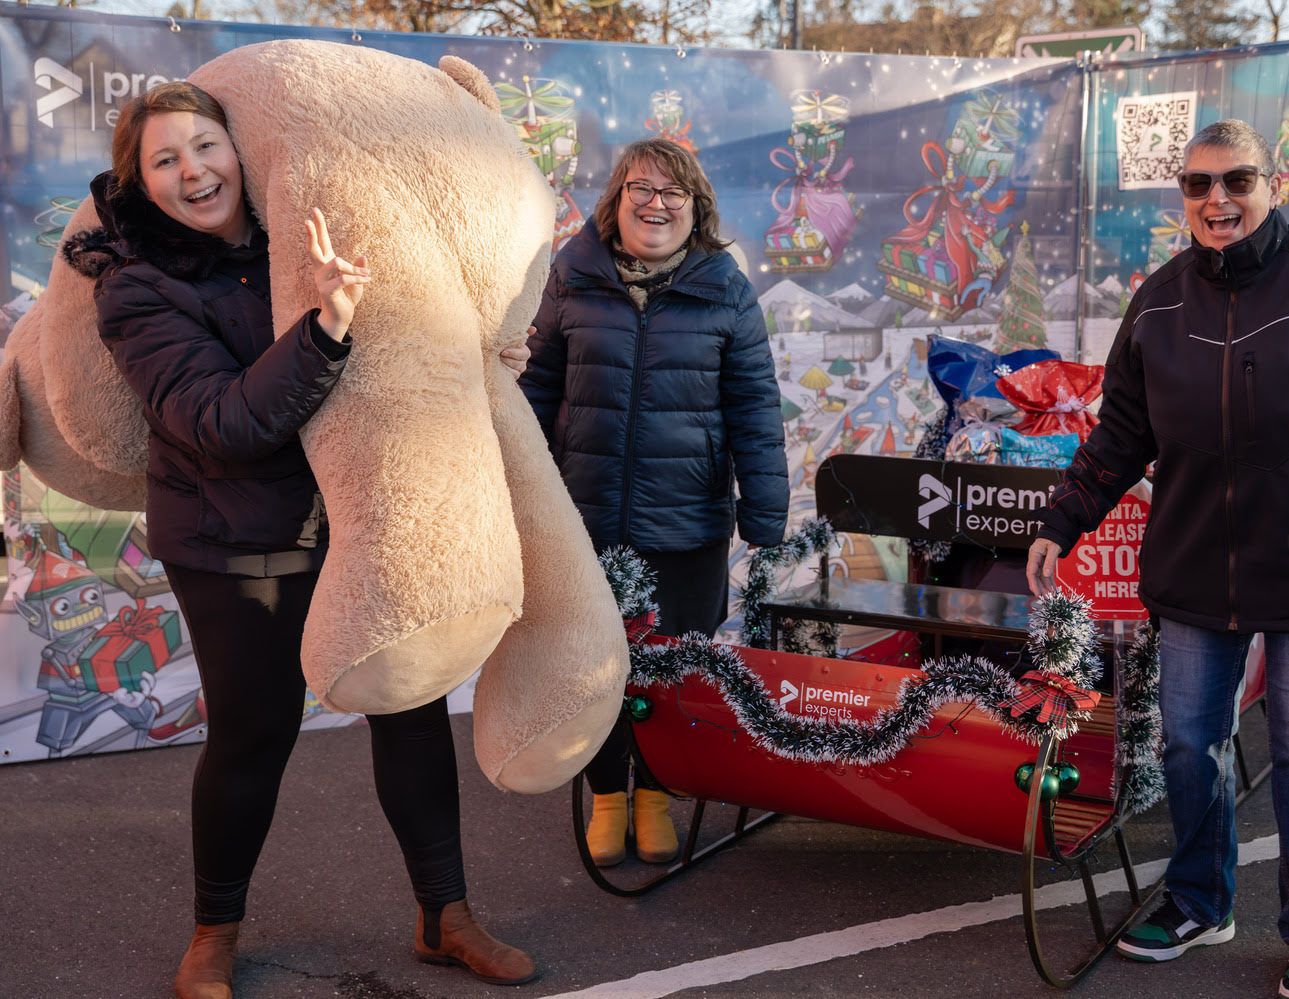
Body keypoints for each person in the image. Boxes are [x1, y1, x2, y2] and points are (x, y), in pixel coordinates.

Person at [89, 81, 535, 999]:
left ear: (240, 148)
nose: (193, 171)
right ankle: (214, 931)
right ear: (139, 181)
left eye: (204, 146)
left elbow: (403, 349)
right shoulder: (136, 287)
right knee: (255, 733)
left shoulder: (302, 232)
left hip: (360, 518)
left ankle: (443, 914)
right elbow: (220, 421)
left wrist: (479, 351)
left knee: (407, 703)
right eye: (165, 159)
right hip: (234, 537)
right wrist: (325, 324)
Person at [1026, 119, 1289, 999]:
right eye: (1198, 185)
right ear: (1182, 195)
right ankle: (1200, 901)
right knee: (1187, 745)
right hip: (1194, 567)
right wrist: (1062, 521)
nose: (1218, 200)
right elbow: (1120, 436)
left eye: (1236, 180)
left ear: (1273, 182)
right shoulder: (1160, 298)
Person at [519, 137, 789, 868]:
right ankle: (609, 794)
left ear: (695, 208)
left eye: (674, 193)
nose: (656, 203)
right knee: (592, 668)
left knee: (674, 668)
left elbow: (755, 409)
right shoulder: (571, 277)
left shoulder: (724, 286)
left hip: (688, 523)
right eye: (641, 188)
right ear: (616, 200)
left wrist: (765, 514)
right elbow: (536, 392)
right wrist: (520, 495)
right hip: (586, 518)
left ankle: (656, 794)